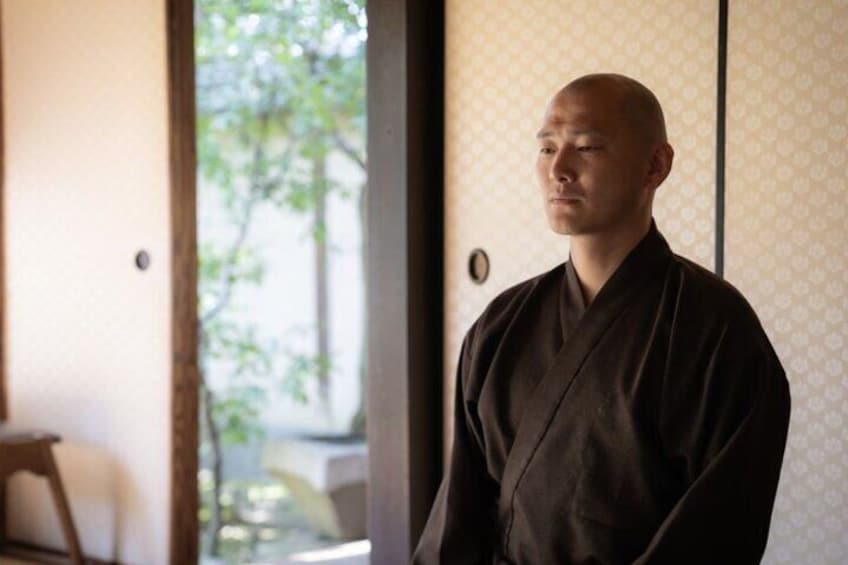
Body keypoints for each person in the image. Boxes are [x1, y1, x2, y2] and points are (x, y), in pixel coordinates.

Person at [411, 73, 791, 564]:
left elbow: (718, 532)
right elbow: (459, 514)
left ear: (656, 165)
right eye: (547, 149)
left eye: (587, 147)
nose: (559, 170)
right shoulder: (502, 324)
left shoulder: (715, 330)